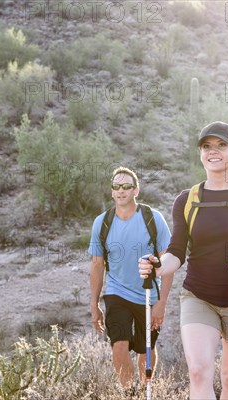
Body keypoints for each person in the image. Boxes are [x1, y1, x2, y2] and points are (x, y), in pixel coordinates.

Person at [139, 121, 228, 400]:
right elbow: (176, 253)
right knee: (199, 372)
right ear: (201, 154)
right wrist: (157, 266)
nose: (213, 152)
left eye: (221, 145)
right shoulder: (187, 200)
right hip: (199, 297)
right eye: (206, 147)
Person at [89, 166, 173, 390]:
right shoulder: (102, 222)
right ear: (112, 191)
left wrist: (161, 303)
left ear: (136, 190)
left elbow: (168, 265)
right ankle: (128, 392)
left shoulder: (153, 219)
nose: (121, 190)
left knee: (146, 348)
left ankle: (146, 389)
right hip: (116, 292)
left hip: (148, 294)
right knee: (119, 344)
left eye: (126, 186)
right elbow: (97, 265)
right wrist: (94, 304)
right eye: (116, 186)